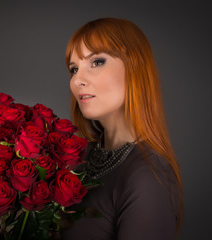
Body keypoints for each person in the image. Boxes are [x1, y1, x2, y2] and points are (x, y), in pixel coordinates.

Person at [60, 18, 183, 240]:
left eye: (96, 62)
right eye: (74, 68)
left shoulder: (148, 177)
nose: (78, 79)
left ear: (135, 67)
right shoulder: (77, 156)